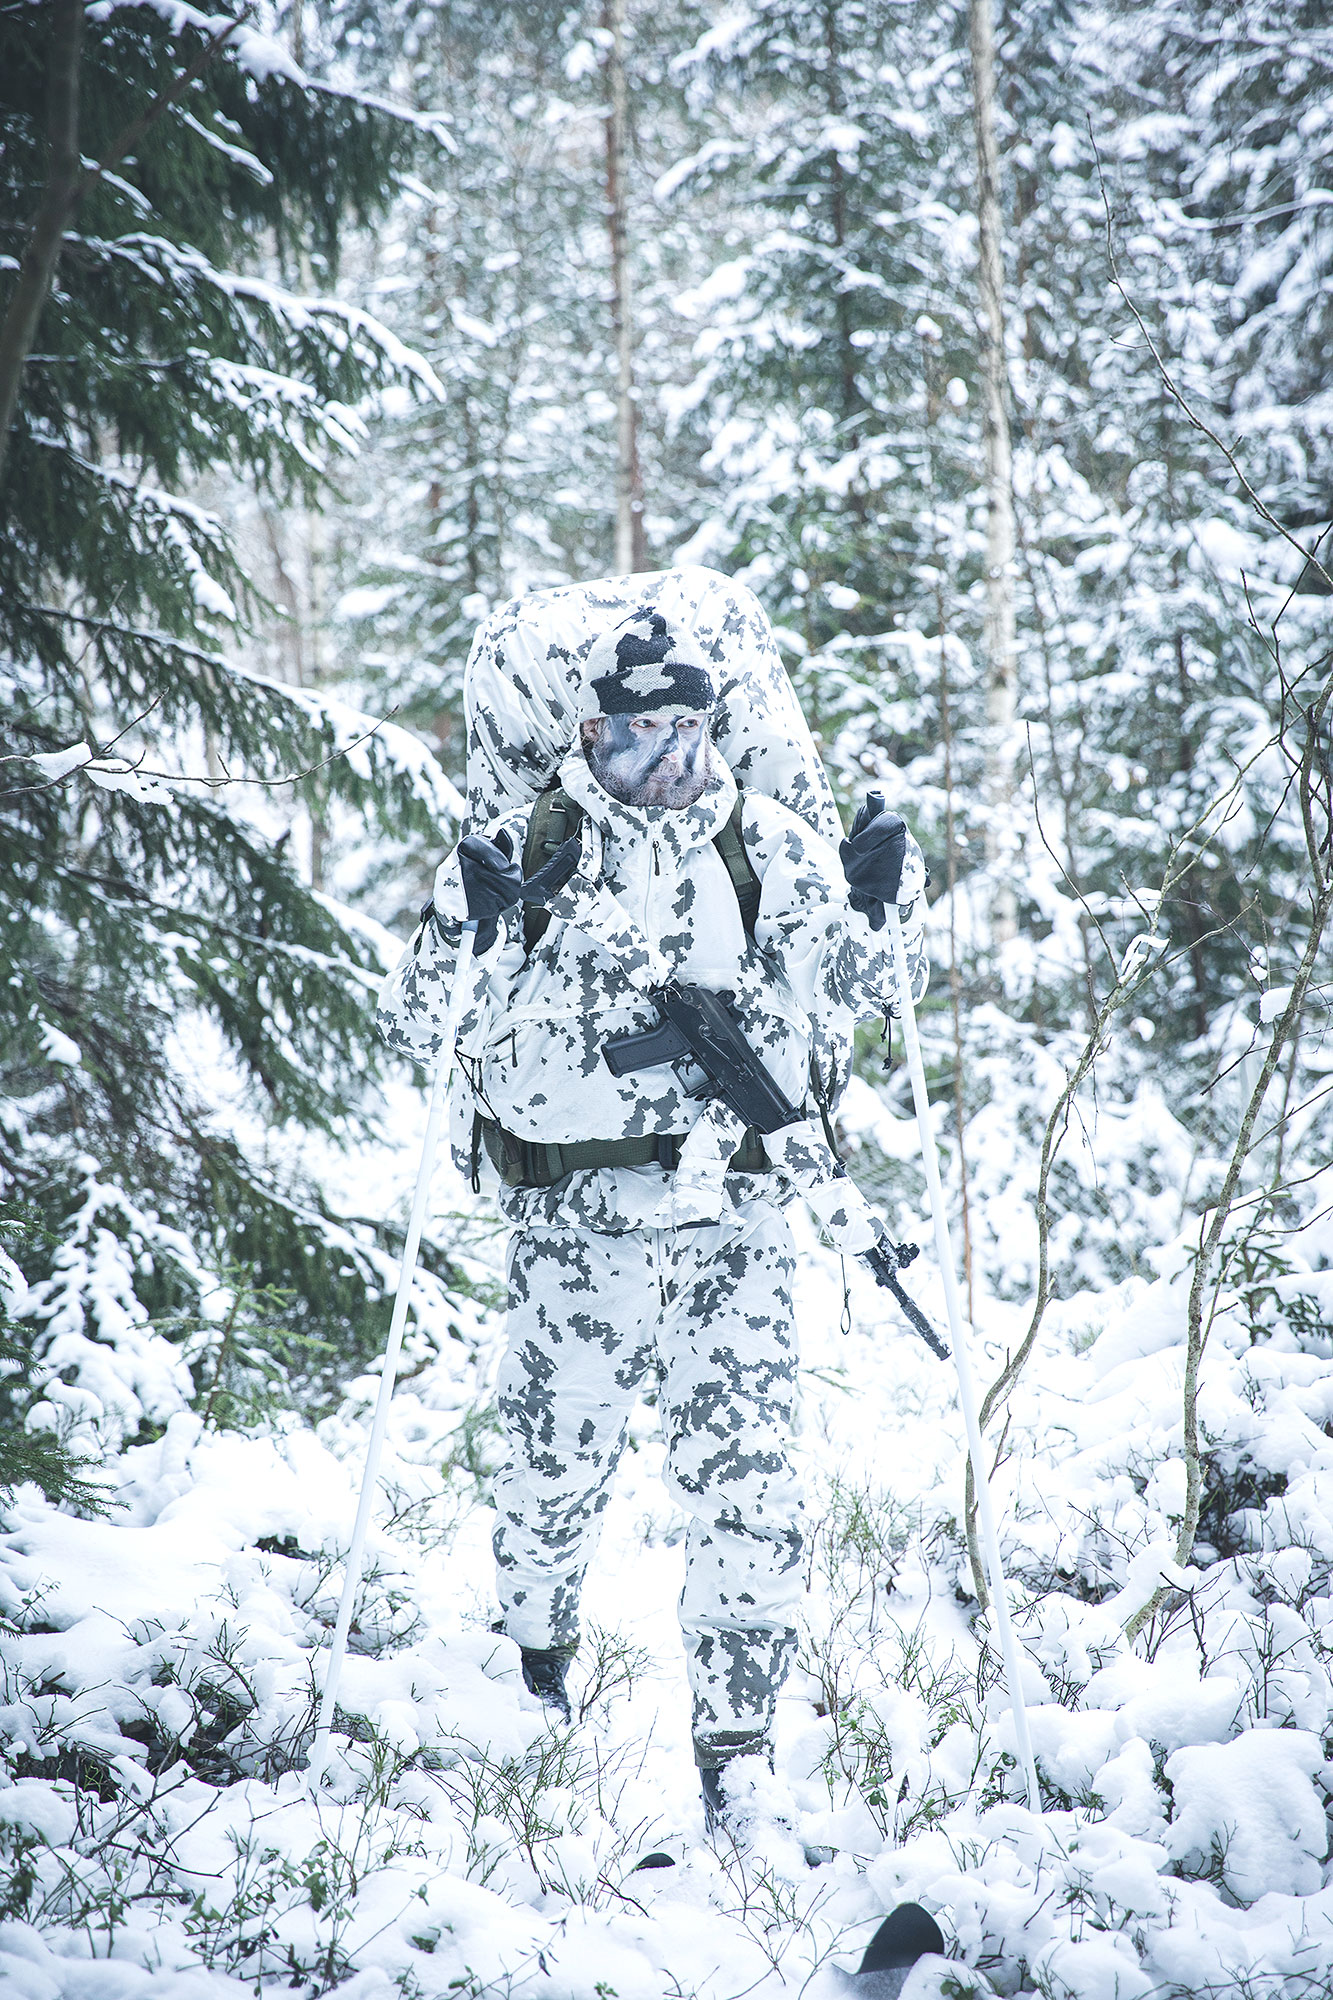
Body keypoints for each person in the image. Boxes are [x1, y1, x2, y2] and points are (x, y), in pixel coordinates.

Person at [377, 606, 927, 1829]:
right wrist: (464, 928)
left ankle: (736, 1756)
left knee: (748, 1490)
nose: (673, 752)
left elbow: (876, 990)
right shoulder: (523, 850)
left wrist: (888, 902)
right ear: (593, 730)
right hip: (577, 1222)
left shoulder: (767, 844)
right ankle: (535, 1672)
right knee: (550, 1466)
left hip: (736, 1219)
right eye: (644, 729)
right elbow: (426, 1027)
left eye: (691, 723)